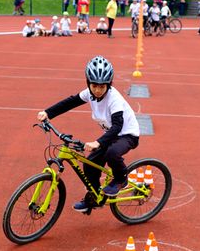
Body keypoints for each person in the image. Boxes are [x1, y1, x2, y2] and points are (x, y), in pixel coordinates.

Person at [37, 55, 140, 212]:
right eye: (94, 86)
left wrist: (98, 142)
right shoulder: (89, 93)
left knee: (112, 153)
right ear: (88, 83)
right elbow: (70, 102)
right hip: (110, 136)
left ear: (109, 85)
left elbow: (118, 126)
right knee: (89, 164)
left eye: (102, 86)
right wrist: (48, 113)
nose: (98, 90)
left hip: (127, 135)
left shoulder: (114, 99)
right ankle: (93, 197)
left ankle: (121, 179)